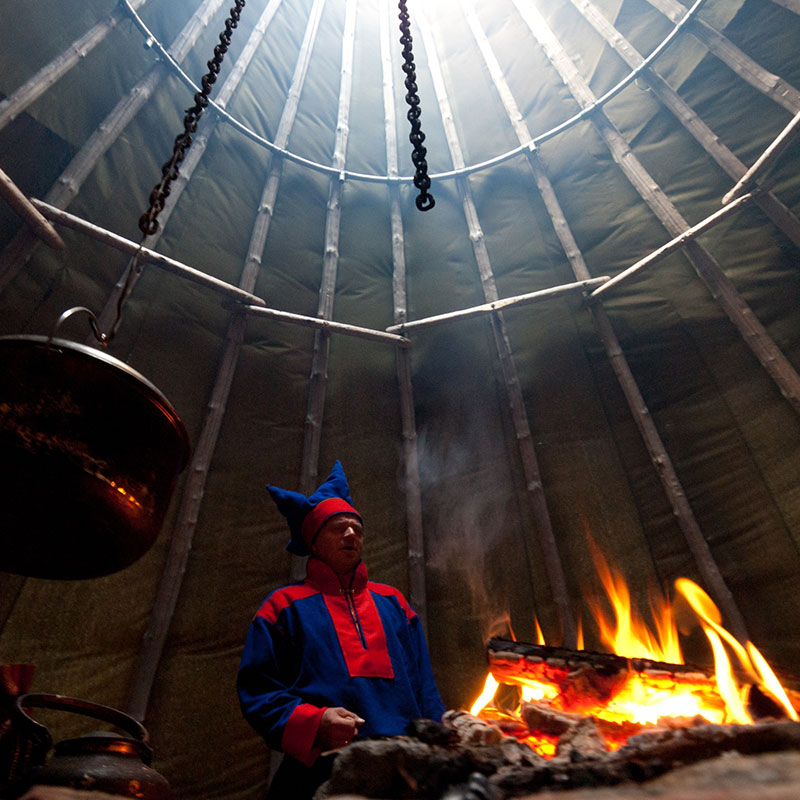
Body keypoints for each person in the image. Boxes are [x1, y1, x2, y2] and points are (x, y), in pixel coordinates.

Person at [237, 461, 445, 799]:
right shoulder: (282, 607)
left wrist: (441, 745)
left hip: (404, 770)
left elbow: (425, 688)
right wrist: (314, 722)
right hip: (322, 770)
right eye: (338, 528)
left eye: (357, 529)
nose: (351, 534)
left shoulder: (394, 603)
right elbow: (258, 691)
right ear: (315, 542)